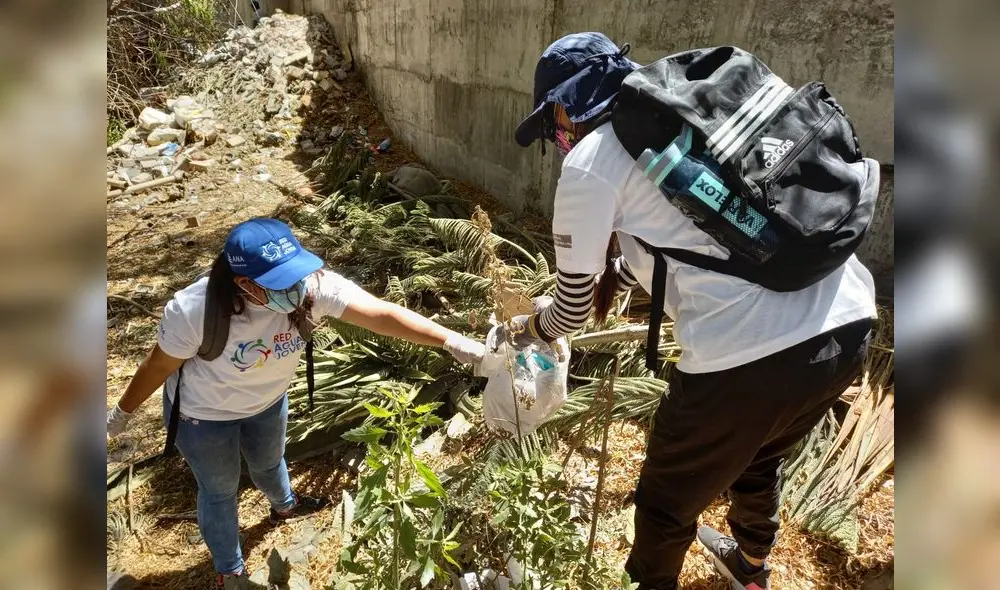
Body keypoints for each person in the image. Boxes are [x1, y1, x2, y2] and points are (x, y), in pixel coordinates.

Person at [512, 33, 877, 590]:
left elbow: (571, 310)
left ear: (569, 104)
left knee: (663, 505)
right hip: (851, 323)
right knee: (757, 457)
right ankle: (748, 568)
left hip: (751, 356)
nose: (556, 136)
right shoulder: (683, 126)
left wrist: (529, 329)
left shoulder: (591, 161)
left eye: (553, 122)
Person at [106, 218, 485, 589]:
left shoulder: (313, 288)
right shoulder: (193, 311)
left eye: (295, 274)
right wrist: (123, 413)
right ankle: (230, 569)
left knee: (270, 462)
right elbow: (158, 365)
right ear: (244, 284)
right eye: (279, 282)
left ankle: (284, 504)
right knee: (219, 490)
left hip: (268, 402)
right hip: (204, 418)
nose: (294, 287)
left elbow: (382, 314)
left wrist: (451, 340)